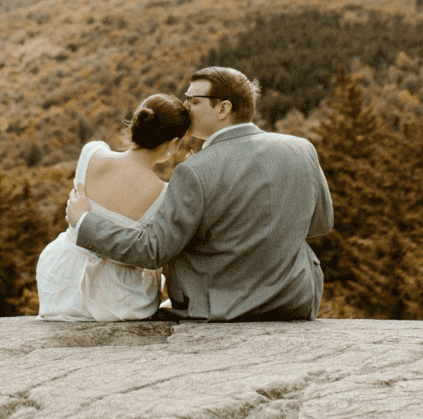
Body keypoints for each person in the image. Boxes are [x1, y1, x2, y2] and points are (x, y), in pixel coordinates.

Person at [66, 66, 334, 322]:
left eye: (193, 100)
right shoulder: (302, 149)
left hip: (218, 308)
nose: (185, 107)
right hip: (294, 301)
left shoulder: (194, 171)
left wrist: (85, 222)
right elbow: (321, 224)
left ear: (224, 108)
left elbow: (153, 249)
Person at [36, 93, 191, 320]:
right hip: (116, 295)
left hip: (60, 278)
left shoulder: (92, 153)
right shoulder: (164, 194)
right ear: (173, 144)